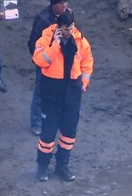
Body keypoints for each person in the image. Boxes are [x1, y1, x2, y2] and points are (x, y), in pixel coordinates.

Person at [31, 9, 92, 182]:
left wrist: (84, 83)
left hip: (72, 91)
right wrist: (55, 45)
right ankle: (42, 167)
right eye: (66, 29)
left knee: (69, 132)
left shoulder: (80, 40)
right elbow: (39, 61)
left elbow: (87, 62)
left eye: (71, 28)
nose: (69, 32)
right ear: (59, 28)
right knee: (48, 133)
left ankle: (62, 165)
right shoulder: (46, 38)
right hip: (52, 91)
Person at [26, 0, 68, 136]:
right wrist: (41, 60)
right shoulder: (43, 20)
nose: (65, 6)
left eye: (66, 2)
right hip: (45, 63)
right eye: (61, 3)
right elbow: (33, 43)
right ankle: (36, 122)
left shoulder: (68, 14)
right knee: (40, 93)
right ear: (53, 4)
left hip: (61, 62)